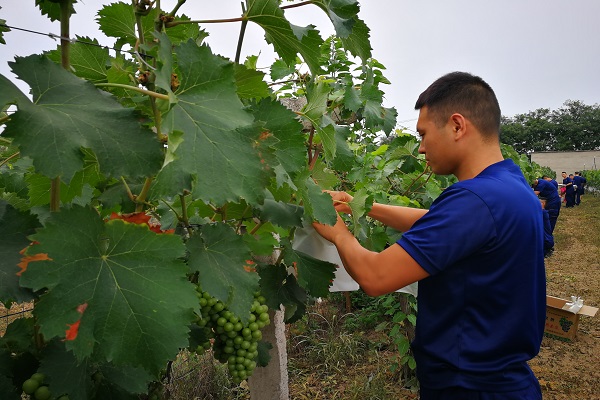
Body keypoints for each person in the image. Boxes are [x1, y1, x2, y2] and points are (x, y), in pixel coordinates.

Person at [313, 72, 545, 399]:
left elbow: (375, 276)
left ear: (457, 125)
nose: (420, 148)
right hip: (503, 381)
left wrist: (337, 233)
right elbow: (438, 222)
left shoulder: (475, 201)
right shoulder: (510, 188)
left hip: (469, 388)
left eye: (423, 134)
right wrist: (361, 206)